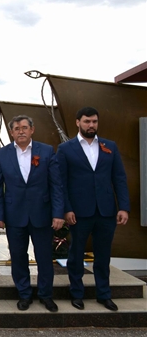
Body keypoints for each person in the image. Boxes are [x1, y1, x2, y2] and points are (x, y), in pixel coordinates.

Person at [56, 106, 129, 312]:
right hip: (78, 212)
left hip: (106, 211)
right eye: (87, 121)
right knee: (76, 254)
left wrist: (123, 207)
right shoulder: (66, 149)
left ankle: (104, 294)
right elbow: (61, 182)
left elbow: (119, 179)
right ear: (78, 122)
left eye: (94, 121)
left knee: (103, 256)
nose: (91, 125)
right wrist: (66, 209)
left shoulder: (110, 146)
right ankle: (76, 294)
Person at [0, 115, 64, 312]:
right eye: (16, 128)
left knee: (44, 257)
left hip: (42, 214)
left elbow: (56, 185)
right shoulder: (2, 155)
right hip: (14, 215)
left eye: (24, 127)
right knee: (18, 256)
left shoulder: (47, 151)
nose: (21, 131)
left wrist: (58, 214)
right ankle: (24, 294)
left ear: (32, 130)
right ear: (12, 132)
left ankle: (46, 295)